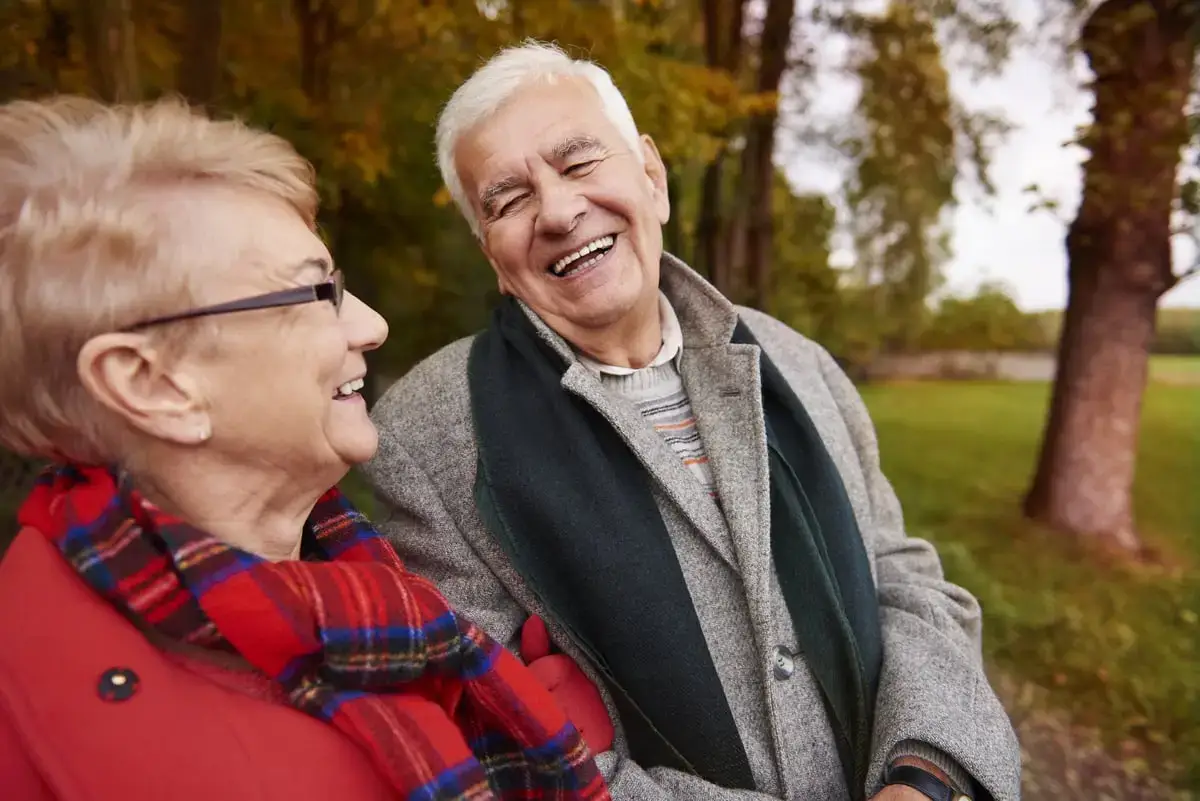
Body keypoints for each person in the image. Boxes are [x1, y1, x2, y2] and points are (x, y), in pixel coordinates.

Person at [365, 41, 1021, 801]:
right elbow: (496, 732)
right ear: (491, 253)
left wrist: (927, 777)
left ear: (651, 175)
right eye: (508, 199)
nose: (559, 210)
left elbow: (904, 578)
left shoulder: (797, 362)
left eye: (578, 164)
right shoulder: (429, 433)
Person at [0, 95, 611, 801]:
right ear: (154, 383)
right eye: (315, 292)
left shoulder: (348, 591)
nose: (371, 325)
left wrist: (535, 718)